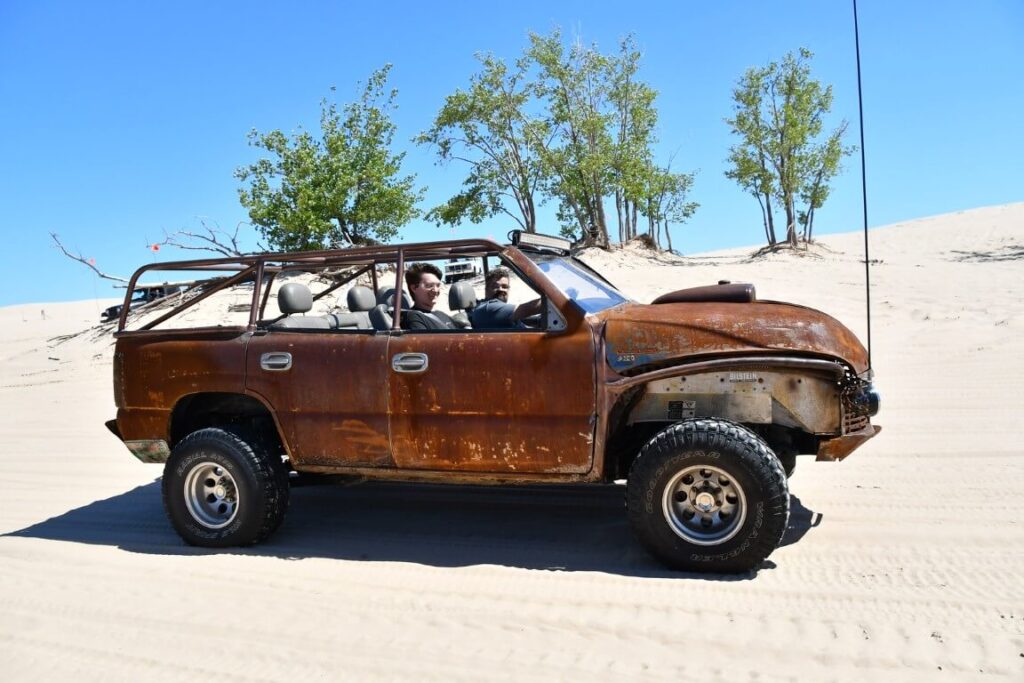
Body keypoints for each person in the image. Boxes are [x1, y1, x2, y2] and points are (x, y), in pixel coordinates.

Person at [471, 267, 543, 329]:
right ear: (486, 289)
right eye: (495, 286)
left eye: (505, 287)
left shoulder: (488, 308)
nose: (501, 289)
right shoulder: (489, 308)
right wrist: (551, 301)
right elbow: (530, 308)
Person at [401, 262, 458, 331]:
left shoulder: (442, 315)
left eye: (438, 285)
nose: (435, 290)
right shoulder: (414, 318)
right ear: (414, 288)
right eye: (429, 286)